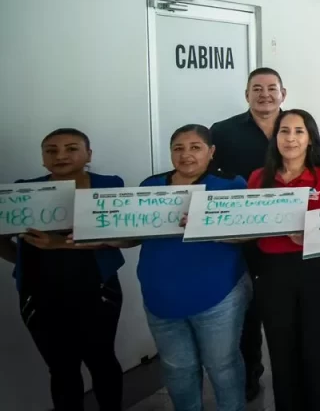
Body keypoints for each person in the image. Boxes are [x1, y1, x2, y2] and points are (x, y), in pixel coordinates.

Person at [211, 67, 320, 400]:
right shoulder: (223, 131)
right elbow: (215, 183)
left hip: (295, 248)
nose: (265, 94)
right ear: (247, 94)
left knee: (292, 318)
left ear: (283, 93)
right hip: (245, 237)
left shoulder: (297, 125)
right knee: (247, 311)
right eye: (256, 89)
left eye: (271, 88)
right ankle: (251, 373)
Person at [1, 129, 124, 411]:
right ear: (43, 157)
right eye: (51, 150)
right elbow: (3, 239)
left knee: (102, 360)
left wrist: (59, 244)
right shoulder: (25, 190)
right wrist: (23, 261)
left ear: (88, 155)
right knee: (61, 368)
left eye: (71, 148)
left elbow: (121, 237)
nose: (60, 156)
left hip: (97, 290)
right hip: (40, 295)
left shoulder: (108, 186)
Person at [136, 124, 251, 411]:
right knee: (177, 368)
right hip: (160, 298)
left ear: (211, 152)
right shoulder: (151, 187)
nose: (186, 154)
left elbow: (247, 235)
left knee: (222, 365)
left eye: (195, 147)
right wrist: (89, 234)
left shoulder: (231, 184)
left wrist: (205, 225)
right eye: (178, 148)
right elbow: (129, 235)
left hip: (219, 296)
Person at [248, 109, 320, 411]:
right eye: (284, 131)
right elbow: (246, 223)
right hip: (273, 273)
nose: (291, 138)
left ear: (310, 138)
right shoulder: (258, 178)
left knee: (316, 351)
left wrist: (312, 238)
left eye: (299, 131)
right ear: (275, 137)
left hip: (316, 272)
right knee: (280, 351)